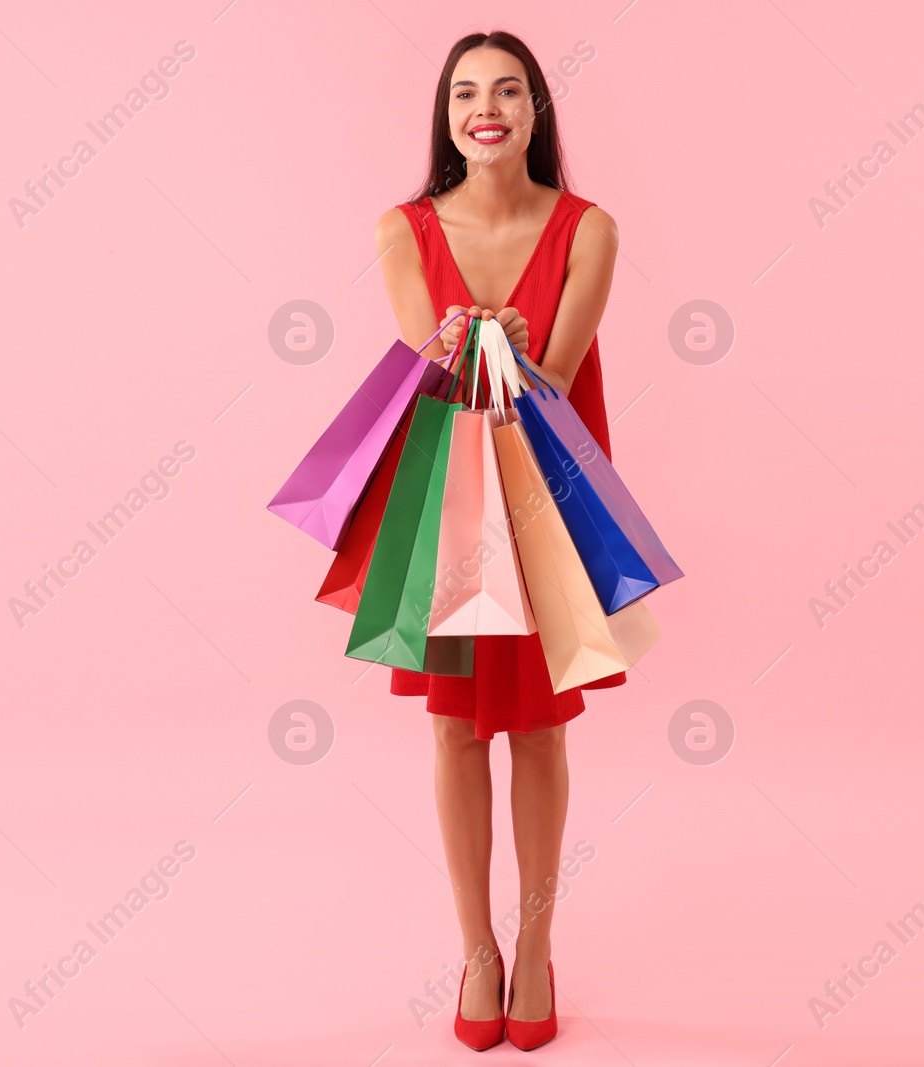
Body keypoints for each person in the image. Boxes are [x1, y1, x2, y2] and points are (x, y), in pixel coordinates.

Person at [374, 29, 622, 1052]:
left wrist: (524, 351)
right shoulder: (401, 228)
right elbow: (420, 362)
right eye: (467, 92)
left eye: (508, 90)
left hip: (545, 498)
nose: (487, 107)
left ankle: (535, 944)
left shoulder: (589, 227)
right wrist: (457, 343)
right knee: (454, 727)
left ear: (535, 111)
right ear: (446, 116)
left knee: (540, 728)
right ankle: (475, 947)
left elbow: (555, 381)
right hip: (447, 498)